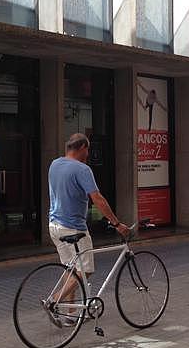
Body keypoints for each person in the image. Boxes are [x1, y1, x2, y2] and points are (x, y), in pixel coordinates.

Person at [45, 133, 129, 327]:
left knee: (72, 269)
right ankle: (54, 300)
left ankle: (72, 314)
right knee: (86, 270)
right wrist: (117, 224)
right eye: (87, 149)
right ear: (82, 147)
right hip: (74, 228)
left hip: (54, 226)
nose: (88, 153)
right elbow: (97, 199)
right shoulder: (83, 169)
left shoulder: (54, 164)